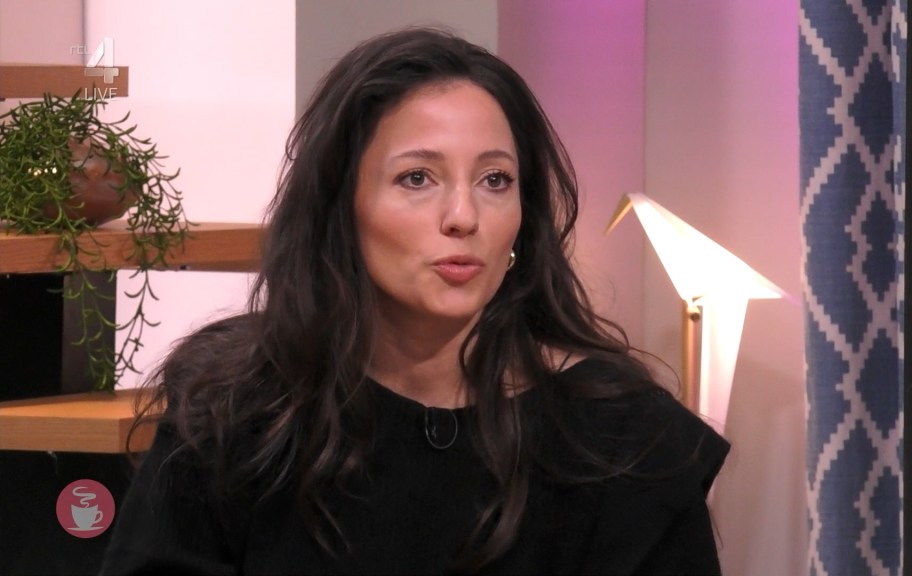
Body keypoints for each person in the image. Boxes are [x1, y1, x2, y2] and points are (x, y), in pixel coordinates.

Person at [99, 27, 729, 575]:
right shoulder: (236, 410)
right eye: (417, 178)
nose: (463, 216)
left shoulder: (626, 441)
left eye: (495, 180)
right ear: (342, 206)